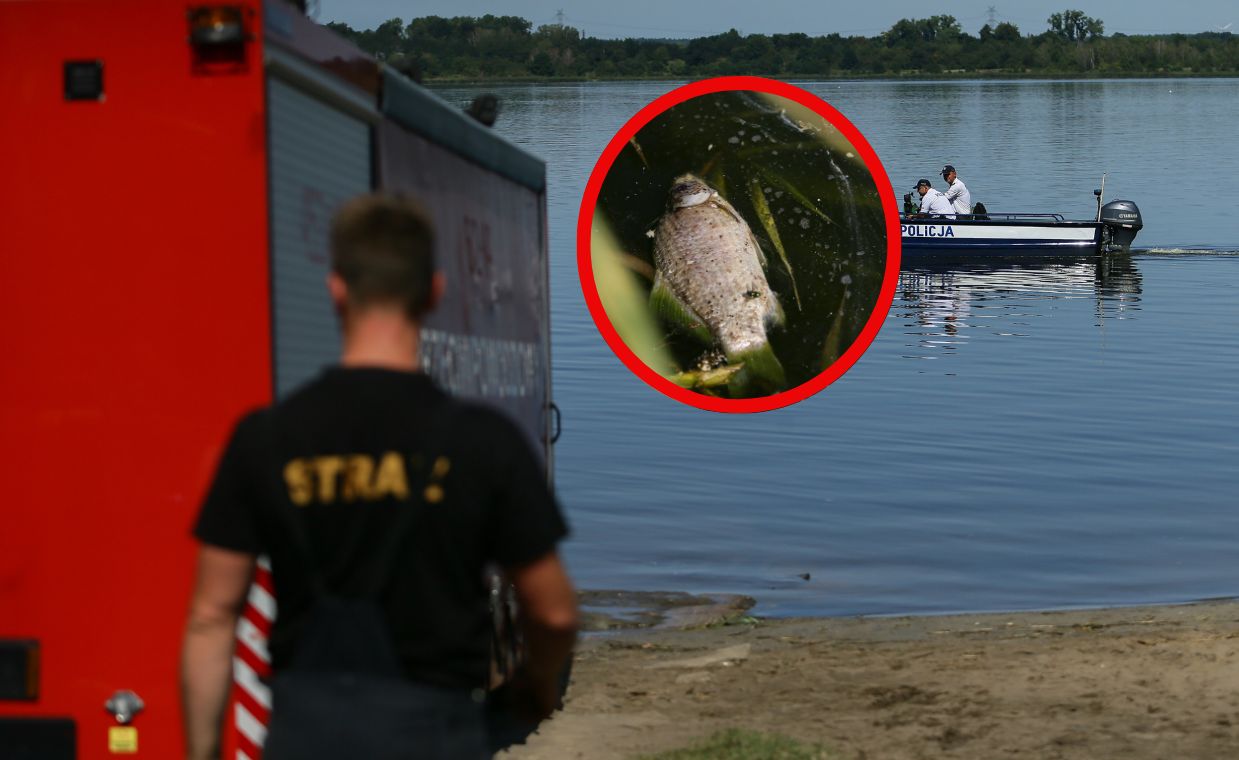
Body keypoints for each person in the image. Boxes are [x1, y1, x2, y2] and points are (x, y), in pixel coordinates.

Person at [181, 193, 578, 760]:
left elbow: (210, 617)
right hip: (434, 735)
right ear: (434, 292)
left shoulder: (265, 438)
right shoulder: (481, 441)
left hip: (304, 735)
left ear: (336, 291)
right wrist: (535, 686)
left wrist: (202, 753)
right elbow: (554, 612)